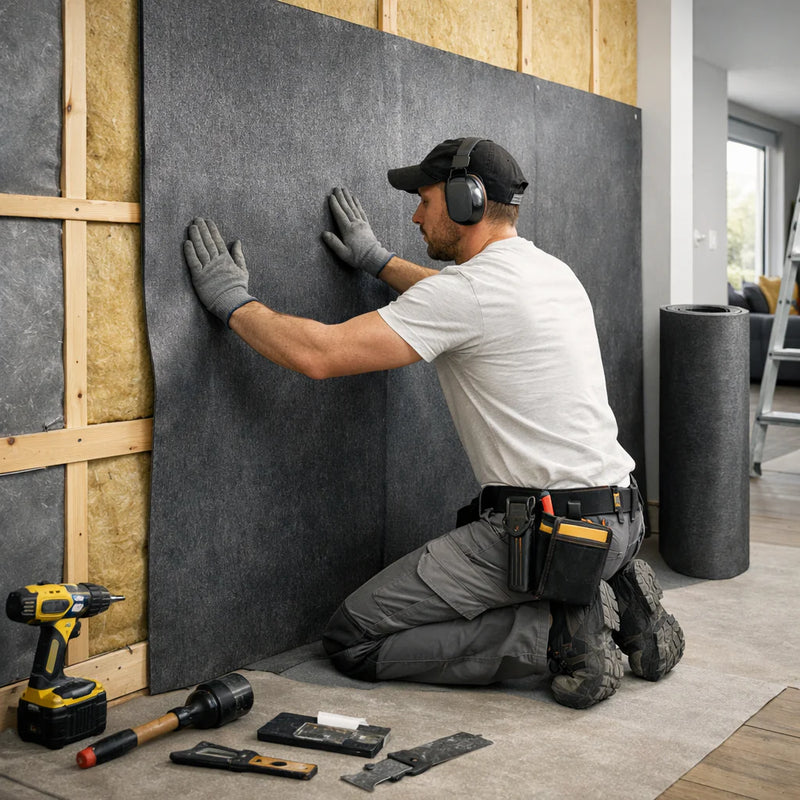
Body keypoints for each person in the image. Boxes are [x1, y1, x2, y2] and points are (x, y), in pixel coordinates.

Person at [183, 137, 684, 708]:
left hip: (545, 537)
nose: (416, 215)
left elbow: (319, 354)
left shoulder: (469, 292)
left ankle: (559, 635)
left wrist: (232, 302)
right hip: (620, 518)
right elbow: (461, 308)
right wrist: (377, 261)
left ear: (465, 200)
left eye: (424, 200)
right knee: (545, 555)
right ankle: (611, 594)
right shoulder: (550, 274)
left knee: (355, 638)